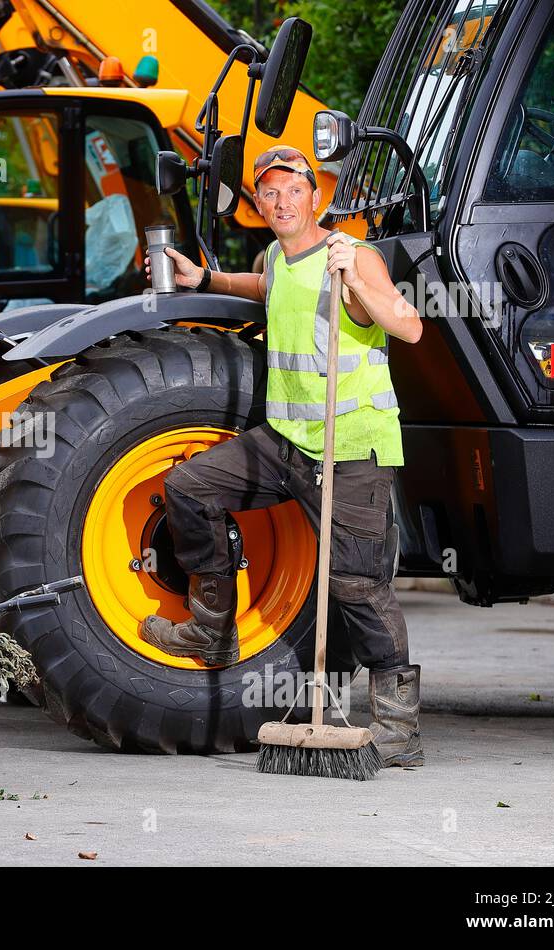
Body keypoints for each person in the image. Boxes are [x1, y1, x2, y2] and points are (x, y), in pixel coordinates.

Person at [141, 145, 425, 767]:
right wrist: (206, 280)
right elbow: (270, 285)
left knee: (355, 583)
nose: (280, 202)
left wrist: (355, 279)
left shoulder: (355, 257)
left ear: (315, 197)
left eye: (292, 190)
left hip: (353, 445)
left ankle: (399, 729)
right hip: (289, 440)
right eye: (268, 193)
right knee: (190, 487)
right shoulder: (276, 253)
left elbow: (409, 327)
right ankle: (211, 629)